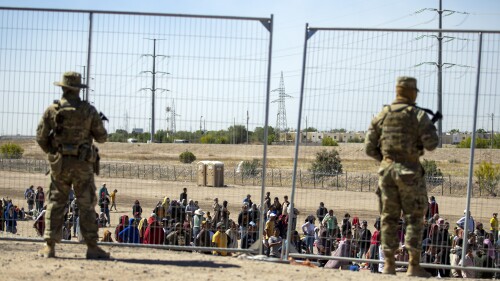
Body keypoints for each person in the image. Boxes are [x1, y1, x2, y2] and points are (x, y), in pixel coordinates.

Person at [365, 76, 438, 277]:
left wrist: (386, 160)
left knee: (388, 217)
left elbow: (369, 147)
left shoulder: (383, 114)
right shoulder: (417, 115)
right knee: (414, 217)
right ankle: (413, 265)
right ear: (412, 93)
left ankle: (388, 264)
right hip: (409, 172)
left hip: (386, 173)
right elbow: (432, 143)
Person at [36, 71, 109, 259]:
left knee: (56, 203)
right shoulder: (88, 110)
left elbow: (41, 137)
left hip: (60, 164)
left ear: (63, 88)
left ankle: (49, 246)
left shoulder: (53, 110)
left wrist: (54, 152)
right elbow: (102, 137)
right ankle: (92, 246)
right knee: (86, 204)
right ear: (78, 89)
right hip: (83, 164)